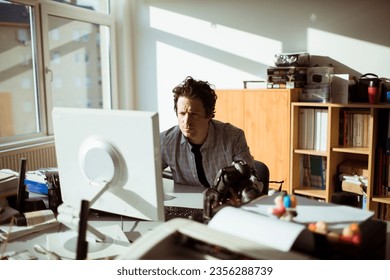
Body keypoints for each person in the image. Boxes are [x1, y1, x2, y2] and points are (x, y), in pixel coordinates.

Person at [160, 76, 256, 188]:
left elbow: (252, 180)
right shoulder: (165, 141)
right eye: (182, 113)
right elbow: (146, 176)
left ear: (209, 114)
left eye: (194, 114)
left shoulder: (233, 137)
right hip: (185, 203)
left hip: (225, 203)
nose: (186, 121)